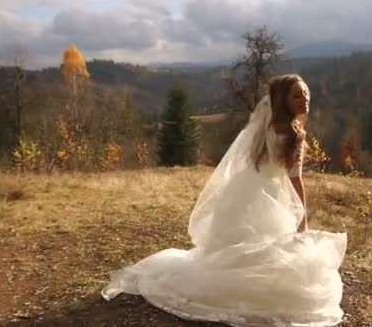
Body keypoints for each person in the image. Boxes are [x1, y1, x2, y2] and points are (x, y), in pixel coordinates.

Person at [101, 74, 347, 326]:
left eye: (306, 94)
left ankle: (239, 280)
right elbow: (295, 179)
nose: (304, 99)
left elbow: (255, 164)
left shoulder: (265, 127)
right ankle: (246, 288)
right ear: (283, 100)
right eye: (297, 95)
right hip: (264, 196)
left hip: (245, 189)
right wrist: (302, 219)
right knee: (258, 250)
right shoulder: (294, 135)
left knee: (239, 250)